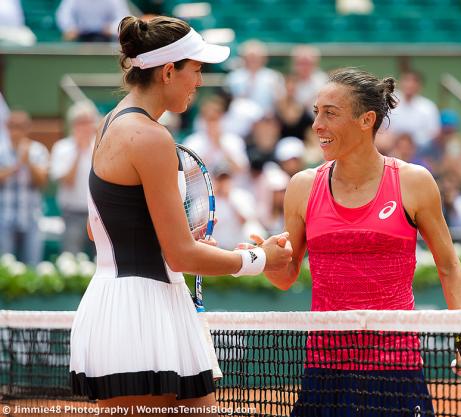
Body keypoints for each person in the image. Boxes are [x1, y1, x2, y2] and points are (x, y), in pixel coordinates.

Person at [69, 16, 293, 416]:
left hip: (142, 304)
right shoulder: (151, 137)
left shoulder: (111, 124)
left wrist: (173, 236)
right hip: (138, 316)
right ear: (169, 71)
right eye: (196, 69)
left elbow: (97, 226)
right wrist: (260, 260)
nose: (201, 82)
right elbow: (180, 257)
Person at [254, 68, 461, 416]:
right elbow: (286, 276)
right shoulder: (302, 186)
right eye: (316, 112)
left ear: (366, 119)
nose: (317, 125)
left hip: (395, 369)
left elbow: (448, 265)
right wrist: (263, 260)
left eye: (330, 113)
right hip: (325, 371)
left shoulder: (413, 182)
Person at [0, 111, 49, 266]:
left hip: (31, 218)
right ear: (6, 127)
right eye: (12, 126)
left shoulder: (38, 150)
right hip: (4, 218)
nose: (16, 130)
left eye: (20, 126)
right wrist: (16, 167)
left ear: (27, 128)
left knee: (32, 268)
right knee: (5, 269)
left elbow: (42, 181)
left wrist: (28, 163)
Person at [50, 101, 99, 255]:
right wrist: (79, 151)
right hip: (73, 213)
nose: (85, 127)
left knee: (100, 261)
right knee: (70, 259)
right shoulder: (62, 147)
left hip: (98, 213)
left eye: (88, 122)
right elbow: (67, 181)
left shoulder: (100, 146)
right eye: (81, 122)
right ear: (72, 125)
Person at [56, 0, 130, 42]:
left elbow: (123, 17)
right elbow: (64, 15)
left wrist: (112, 28)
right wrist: (70, 28)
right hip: (81, 37)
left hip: (107, 38)